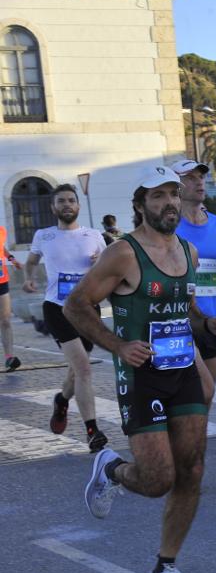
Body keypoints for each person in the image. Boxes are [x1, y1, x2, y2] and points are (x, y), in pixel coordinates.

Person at [69, 165, 216, 573]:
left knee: (192, 470)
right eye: (158, 196)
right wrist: (118, 346)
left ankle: (166, 567)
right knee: (157, 480)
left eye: (173, 194)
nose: (169, 203)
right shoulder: (123, 253)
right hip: (141, 378)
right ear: (140, 205)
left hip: (182, 375)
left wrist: (210, 321)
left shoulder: (189, 253)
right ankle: (111, 468)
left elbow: (187, 305)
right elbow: (76, 305)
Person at [22, 184, 109, 451]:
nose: (67, 205)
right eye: (61, 201)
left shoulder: (94, 235)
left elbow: (108, 267)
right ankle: (92, 431)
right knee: (83, 367)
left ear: (78, 206)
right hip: (57, 308)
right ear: (53, 207)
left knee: (76, 371)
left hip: (87, 308)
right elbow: (31, 262)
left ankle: (61, 400)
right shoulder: (44, 235)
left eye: (71, 200)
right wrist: (28, 279)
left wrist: (99, 263)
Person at [170, 159, 216, 386]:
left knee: (206, 399)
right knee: (189, 397)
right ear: (175, 185)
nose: (198, 182)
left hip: (210, 322)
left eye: (200, 177)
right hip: (175, 323)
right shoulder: (166, 226)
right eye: (190, 177)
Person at [1, 225, 22, 372]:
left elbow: (1, 247)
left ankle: (9, 358)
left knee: (6, 321)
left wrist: (11, 258)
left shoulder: (1, 230)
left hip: (1, 281)